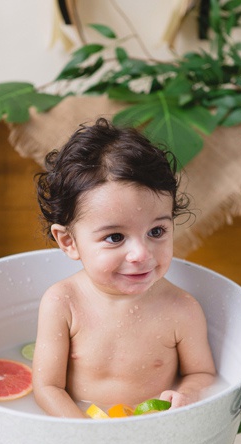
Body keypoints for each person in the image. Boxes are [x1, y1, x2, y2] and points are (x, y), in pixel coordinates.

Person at [32, 118, 216, 418]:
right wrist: (85, 433)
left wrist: (186, 395)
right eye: (115, 237)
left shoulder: (182, 309)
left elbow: (203, 375)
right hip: (82, 423)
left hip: (153, 426)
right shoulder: (62, 303)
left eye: (156, 232)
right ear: (69, 242)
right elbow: (48, 387)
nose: (141, 254)